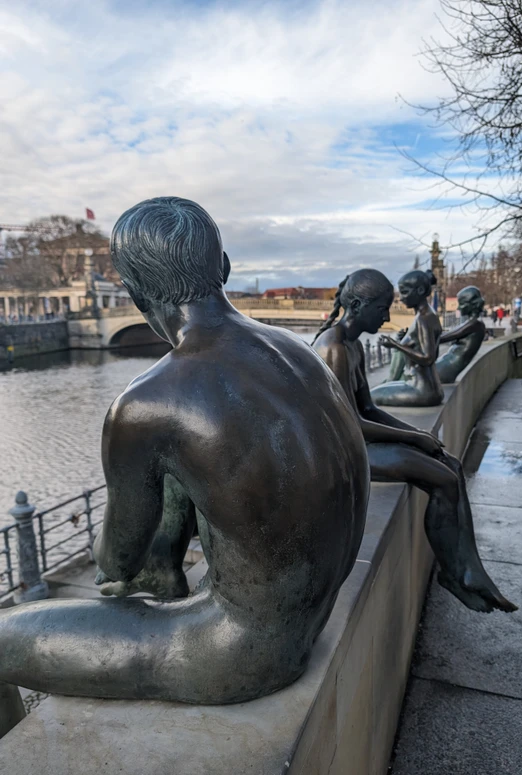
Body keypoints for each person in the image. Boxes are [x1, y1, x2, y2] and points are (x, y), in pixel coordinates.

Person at [0, 197, 369, 712]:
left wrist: (122, 552)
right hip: (309, 620)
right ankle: (166, 577)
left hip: (233, 653)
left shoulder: (146, 403)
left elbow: (116, 559)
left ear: (134, 294)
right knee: (176, 466)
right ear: (225, 267)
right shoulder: (300, 353)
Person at [312, 268, 516, 615]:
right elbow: (353, 424)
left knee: (451, 466)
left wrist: (418, 436)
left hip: (354, 440)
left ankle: (469, 568)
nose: (387, 317)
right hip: (340, 452)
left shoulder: (352, 344)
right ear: (358, 306)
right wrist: (413, 437)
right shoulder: (334, 346)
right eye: (382, 309)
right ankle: (457, 574)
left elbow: (369, 409)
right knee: (444, 479)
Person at [370, 269, 444, 407]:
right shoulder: (430, 314)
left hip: (422, 391)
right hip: (430, 387)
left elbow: (428, 358)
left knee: (370, 396)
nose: (401, 298)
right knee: (381, 387)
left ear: (420, 290)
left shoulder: (423, 319)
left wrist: (395, 345)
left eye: (404, 292)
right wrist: (407, 340)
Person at [436, 286, 486, 384]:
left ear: (472, 305)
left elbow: (442, 338)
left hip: (446, 369)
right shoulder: (471, 324)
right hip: (445, 364)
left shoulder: (474, 325)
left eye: (461, 304)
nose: (458, 308)